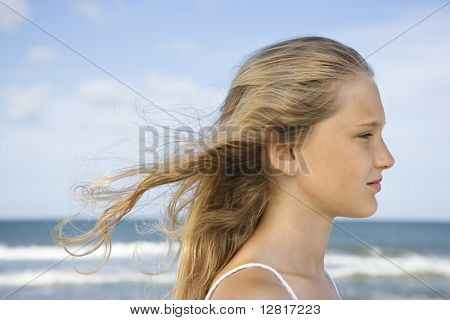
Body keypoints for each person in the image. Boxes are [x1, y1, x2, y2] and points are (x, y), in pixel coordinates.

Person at [52, 36, 395, 300]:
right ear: (286, 152)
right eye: (365, 135)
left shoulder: (314, 281)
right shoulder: (255, 296)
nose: (386, 157)